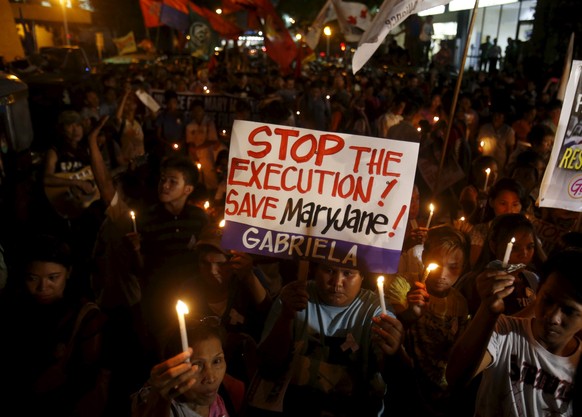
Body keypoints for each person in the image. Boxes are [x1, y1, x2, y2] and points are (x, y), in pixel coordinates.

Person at [252, 262, 404, 417]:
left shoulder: (376, 309)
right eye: (329, 270)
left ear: (362, 276)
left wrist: (393, 348)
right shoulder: (294, 297)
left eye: (348, 273)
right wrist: (286, 317)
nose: (337, 283)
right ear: (315, 269)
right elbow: (268, 366)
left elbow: (396, 381)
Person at [446, 247, 582, 417]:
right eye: (548, 300)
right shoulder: (505, 330)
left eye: (569, 311)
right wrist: (487, 310)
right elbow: (455, 378)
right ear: (538, 292)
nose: (553, 316)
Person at [0, 234, 109, 417]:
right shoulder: (14, 309)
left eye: (53, 278)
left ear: (68, 273)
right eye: (33, 278)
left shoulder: (85, 315)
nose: (43, 287)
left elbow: (90, 374)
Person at [387, 225, 470, 416]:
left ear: (463, 267)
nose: (442, 275)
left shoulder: (460, 303)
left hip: (441, 396)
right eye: (437, 264)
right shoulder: (403, 285)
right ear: (424, 258)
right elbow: (393, 326)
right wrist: (411, 313)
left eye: (453, 267)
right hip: (404, 390)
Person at [131, 316, 245, 417]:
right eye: (196, 365)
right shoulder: (160, 404)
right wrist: (161, 403)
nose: (211, 378)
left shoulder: (220, 400)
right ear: (174, 368)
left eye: (217, 361)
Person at [455, 213, 545, 317]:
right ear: (493, 246)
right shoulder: (474, 283)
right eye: (514, 248)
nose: (524, 254)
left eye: (530, 247)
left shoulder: (532, 279)